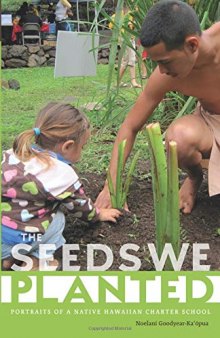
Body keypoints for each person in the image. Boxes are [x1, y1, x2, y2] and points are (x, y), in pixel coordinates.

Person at [95, 0, 220, 215]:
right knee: (178, 139)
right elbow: (130, 126)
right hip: (211, 121)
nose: (161, 71)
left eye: (166, 62)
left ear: (192, 45)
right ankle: (194, 177)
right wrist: (111, 185)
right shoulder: (166, 75)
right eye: (156, 63)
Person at [1, 103, 121, 271]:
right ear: (67, 146)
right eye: (82, 146)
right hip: (26, 238)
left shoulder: (14, 154)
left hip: (3, 237)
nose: (82, 151)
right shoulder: (61, 174)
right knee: (57, 218)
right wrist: (99, 214)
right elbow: (80, 207)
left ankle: (8, 260)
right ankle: (38, 263)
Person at [109, 5, 141, 88]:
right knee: (130, 59)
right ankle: (132, 82)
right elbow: (111, 26)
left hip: (130, 38)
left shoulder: (130, 14)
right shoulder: (117, 15)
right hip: (124, 39)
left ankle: (119, 82)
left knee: (127, 60)